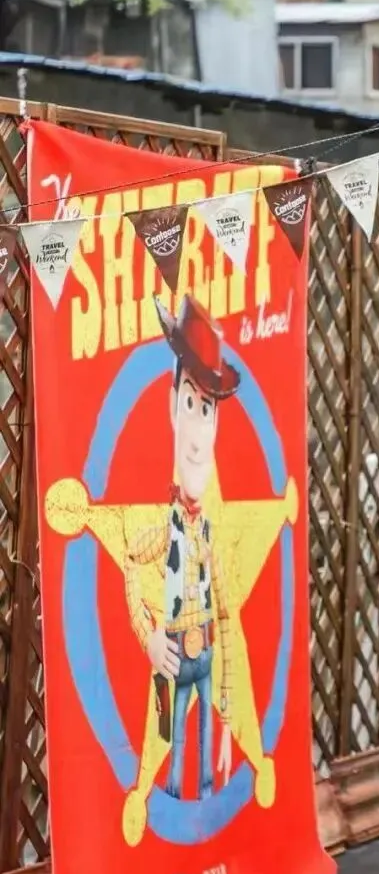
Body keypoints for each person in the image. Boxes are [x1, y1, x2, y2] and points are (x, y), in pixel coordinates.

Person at [122, 295, 237, 837]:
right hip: (173, 652)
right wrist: (147, 634)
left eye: (207, 410)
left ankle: (205, 805)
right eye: (190, 403)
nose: (196, 433)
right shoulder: (160, 528)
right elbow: (130, 562)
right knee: (174, 738)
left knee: (206, 737)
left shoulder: (208, 530)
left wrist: (230, 702)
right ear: (173, 406)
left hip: (206, 649)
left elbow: (226, 606)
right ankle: (170, 801)